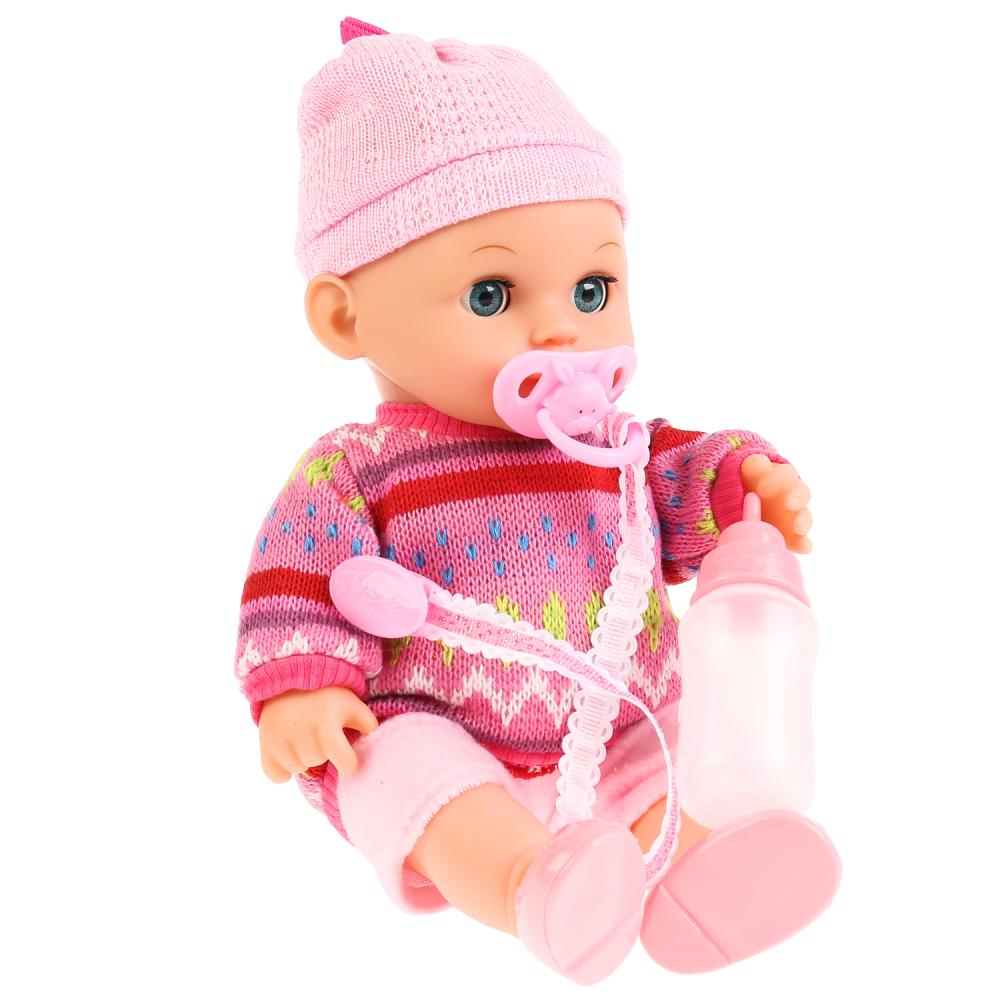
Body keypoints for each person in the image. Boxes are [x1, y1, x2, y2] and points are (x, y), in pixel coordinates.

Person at [233, 16, 839, 984]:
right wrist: (303, 689)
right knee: (400, 768)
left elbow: (682, 487)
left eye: (592, 288)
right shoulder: (357, 468)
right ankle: (530, 884)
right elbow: (294, 582)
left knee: (680, 746)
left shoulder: (619, 448)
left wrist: (741, 491)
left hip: (622, 717)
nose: (560, 330)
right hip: (444, 732)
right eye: (492, 295)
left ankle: (693, 876)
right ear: (346, 316)